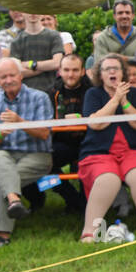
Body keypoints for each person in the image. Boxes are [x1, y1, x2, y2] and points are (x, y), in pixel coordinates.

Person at [77, 54, 136, 242]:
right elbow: (96, 124)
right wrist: (115, 100)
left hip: (132, 151)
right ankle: (89, 231)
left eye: (116, 68)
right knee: (109, 179)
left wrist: (124, 101)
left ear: (123, 73)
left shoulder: (134, 94)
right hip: (99, 153)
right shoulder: (93, 94)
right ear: (101, 75)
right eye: (107, 69)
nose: (112, 72)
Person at [0, 58, 54, 248]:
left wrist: (19, 122)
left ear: (21, 76)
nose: (8, 80)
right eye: (3, 77)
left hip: (37, 156)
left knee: (7, 180)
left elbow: (44, 133)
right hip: (6, 156)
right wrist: (0, 134)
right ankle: (14, 201)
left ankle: (2, 234)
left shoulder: (40, 98)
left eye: (12, 75)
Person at [49, 53, 90, 214]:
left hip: (88, 142)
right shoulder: (51, 92)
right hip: (60, 143)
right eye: (66, 70)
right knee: (42, 165)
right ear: (59, 71)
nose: (70, 74)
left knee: (89, 165)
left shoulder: (91, 90)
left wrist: (81, 118)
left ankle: (87, 205)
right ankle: (72, 199)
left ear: (83, 71)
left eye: (75, 70)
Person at [9, 13, 65, 92]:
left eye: (36, 9)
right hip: (25, 93)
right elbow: (16, 72)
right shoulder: (17, 40)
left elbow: (57, 63)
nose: (32, 13)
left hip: (51, 91)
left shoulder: (54, 36)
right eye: (28, 10)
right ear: (22, 13)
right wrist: (47, 66)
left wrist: (30, 64)